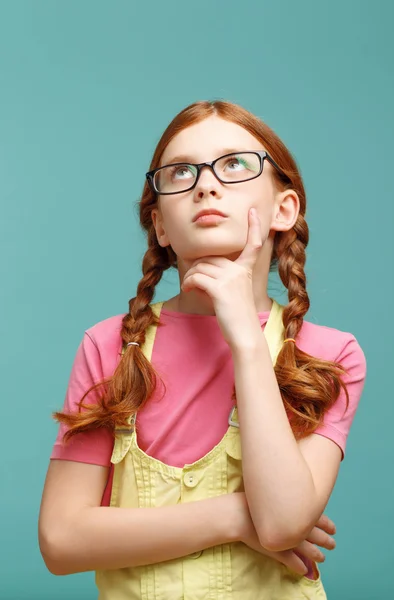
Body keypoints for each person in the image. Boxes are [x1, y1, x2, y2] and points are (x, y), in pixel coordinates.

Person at [39, 100, 367, 599]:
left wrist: (245, 338)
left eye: (234, 164)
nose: (205, 184)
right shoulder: (111, 346)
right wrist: (235, 516)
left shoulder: (330, 354)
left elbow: (280, 525)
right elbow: (61, 541)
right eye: (181, 172)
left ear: (285, 209)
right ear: (161, 226)